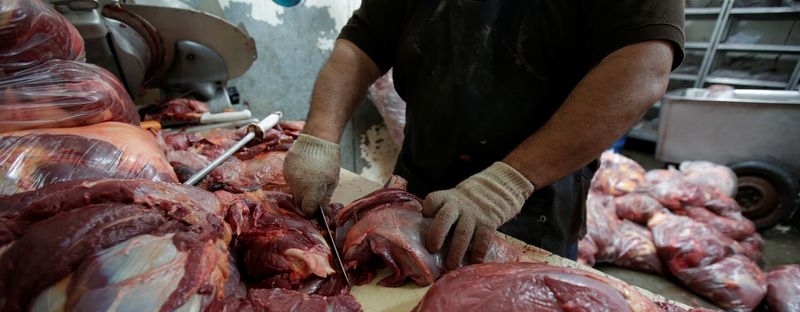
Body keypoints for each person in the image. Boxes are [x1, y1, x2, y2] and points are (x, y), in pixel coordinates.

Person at [283, 0, 685, 269]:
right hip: (415, 188)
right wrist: (320, 136)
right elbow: (360, 45)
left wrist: (507, 183)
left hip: (528, 203)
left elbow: (642, 66)